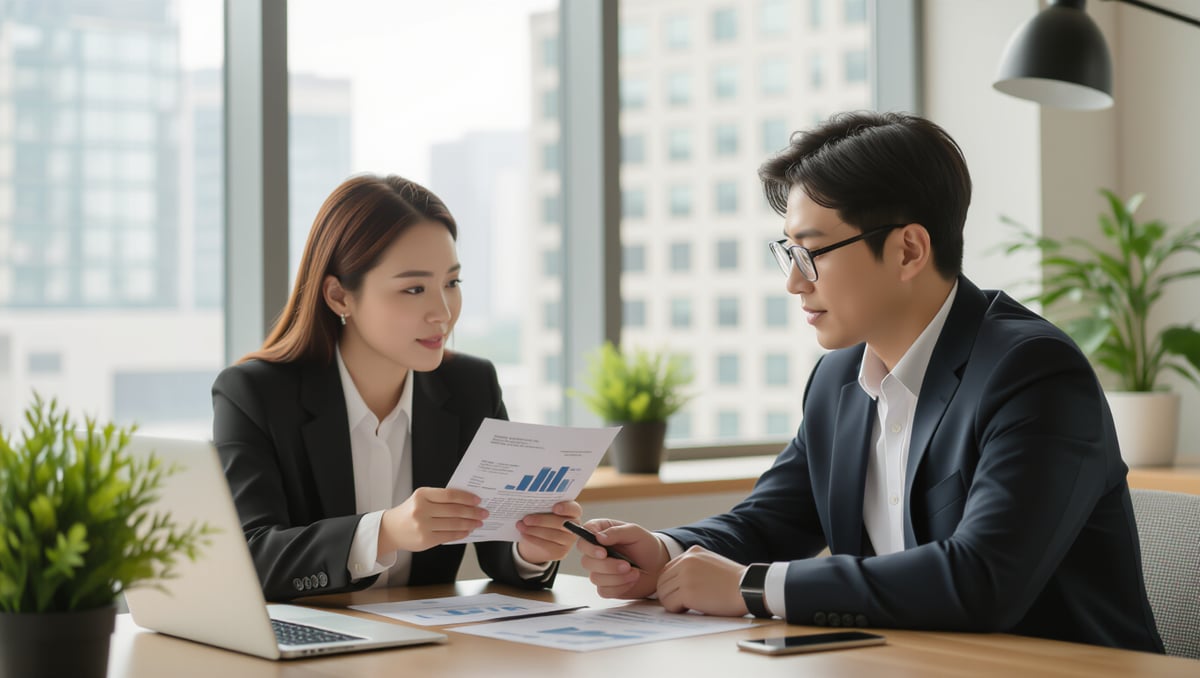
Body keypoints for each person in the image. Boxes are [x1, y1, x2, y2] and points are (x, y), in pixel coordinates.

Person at [574, 111, 1164, 652]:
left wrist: (753, 587)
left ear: (908, 250)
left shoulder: (1032, 371)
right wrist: (663, 551)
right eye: (788, 253)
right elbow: (770, 520)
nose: (794, 282)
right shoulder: (838, 379)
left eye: (812, 252)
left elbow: (983, 577)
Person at [213, 174, 580, 601]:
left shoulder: (470, 386)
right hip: (307, 636)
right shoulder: (254, 394)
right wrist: (385, 532)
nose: (443, 312)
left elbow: (498, 545)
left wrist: (530, 549)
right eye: (413, 289)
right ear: (339, 296)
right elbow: (252, 558)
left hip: (427, 640)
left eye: (452, 283)